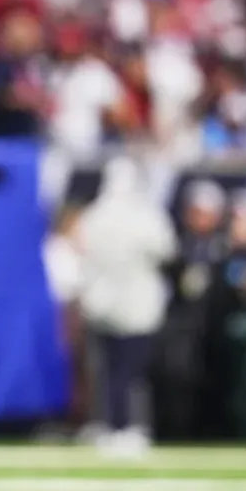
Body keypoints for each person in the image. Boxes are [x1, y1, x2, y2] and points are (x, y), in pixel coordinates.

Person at [74, 155, 177, 457]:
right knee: (131, 372)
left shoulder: (95, 216)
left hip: (105, 303)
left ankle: (113, 424)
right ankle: (130, 426)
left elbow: (83, 250)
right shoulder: (147, 217)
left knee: (110, 370)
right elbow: (165, 250)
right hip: (136, 306)